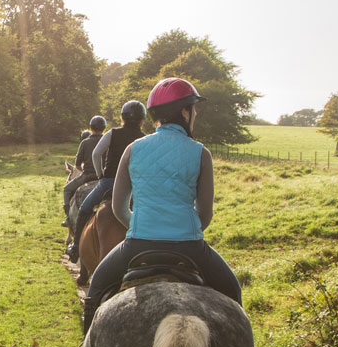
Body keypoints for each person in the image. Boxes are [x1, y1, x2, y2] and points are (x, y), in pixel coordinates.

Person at [81, 78, 241, 333]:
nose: (196, 114)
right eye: (194, 109)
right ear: (184, 111)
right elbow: (206, 214)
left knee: (98, 283)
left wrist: (142, 225)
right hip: (191, 246)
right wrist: (184, 228)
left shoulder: (133, 149)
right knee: (233, 289)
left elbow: (119, 207)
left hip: (139, 242)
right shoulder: (201, 153)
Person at [67, 100, 146, 260]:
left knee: (84, 210)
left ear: (122, 117)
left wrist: (100, 174)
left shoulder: (113, 133)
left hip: (109, 182)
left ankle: (75, 247)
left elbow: (97, 154)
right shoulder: (145, 138)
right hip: (134, 187)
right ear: (142, 120)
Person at [61, 114, 107, 224]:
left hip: (87, 176)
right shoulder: (108, 141)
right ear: (103, 128)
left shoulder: (85, 142)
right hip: (104, 177)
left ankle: (68, 218)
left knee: (66, 190)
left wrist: (85, 169)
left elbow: (77, 165)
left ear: (91, 128)